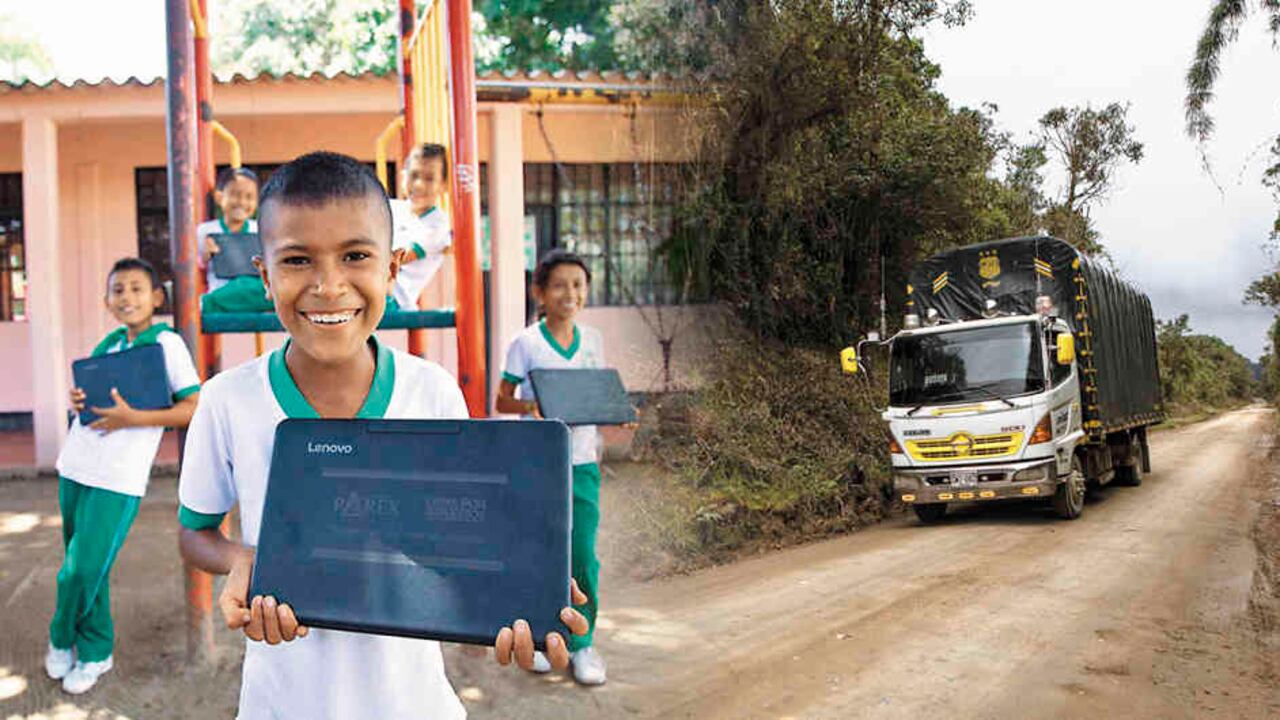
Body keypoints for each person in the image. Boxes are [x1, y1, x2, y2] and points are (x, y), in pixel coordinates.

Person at [176, 151, 587, 719]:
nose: (327, 285)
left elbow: (457, 539)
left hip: (412, 704)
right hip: (281, 703)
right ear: (265, 276)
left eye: (355, 256)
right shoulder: (226, 401)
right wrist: (243, 558)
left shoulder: (434, 393)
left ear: (392, 268)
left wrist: (514, 582)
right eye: (297, 260)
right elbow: (194, 533)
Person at [46, 257, 201, 694]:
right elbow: (90, 403)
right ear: (107, 301)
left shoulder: (166, 343)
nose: (126, 297)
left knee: (80, 569)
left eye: (136, 288)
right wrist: (78, 400)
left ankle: (60, 637)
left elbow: (194, 406)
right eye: (117, 290)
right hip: (75, 465)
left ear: (156, 298)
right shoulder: (110, 342)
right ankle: (95, 651)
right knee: (90, 571)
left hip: (118, 477)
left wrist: (134, 418)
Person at [495, 248, 609, 686]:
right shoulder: (526, 343)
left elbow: (596, 397)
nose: (570, 294)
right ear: (538, 292)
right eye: (559, 285)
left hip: (581, 464)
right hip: (537, 465)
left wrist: (618, 416)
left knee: (581, 555)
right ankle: (539, 637)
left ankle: (583, 644)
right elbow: (501, 401)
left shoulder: (593, 341)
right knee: (536, 551)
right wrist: (531, 405)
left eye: (578, 285)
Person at [389, 143, 452, 311]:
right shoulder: (391, 208)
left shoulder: (437, 224)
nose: (419, 185)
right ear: (403, 177)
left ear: (443, 185)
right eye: (414, 175)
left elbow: (399, 259)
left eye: (429, 178)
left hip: (395, 299)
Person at [198, 166, 260, 294]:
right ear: (219, 197)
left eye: (249, 197)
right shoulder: (205, 230)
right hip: (220, 294)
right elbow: (194, 268)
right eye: (235, 195)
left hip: (253, 295)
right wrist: (204, 256)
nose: (242, 202)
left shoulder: (260, 229)